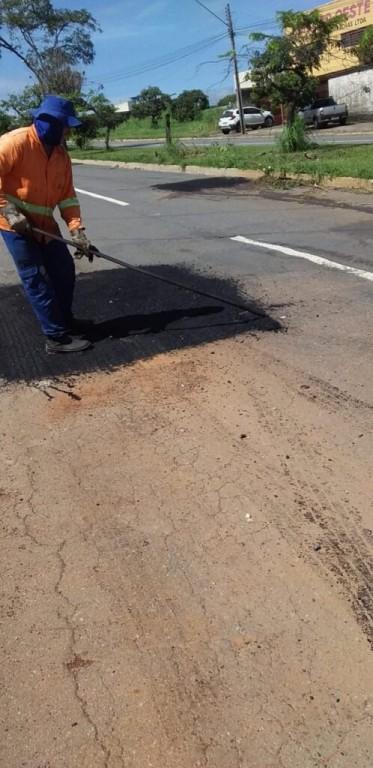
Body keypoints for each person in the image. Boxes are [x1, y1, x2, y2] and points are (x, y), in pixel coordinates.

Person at [0, 94, 96, 354]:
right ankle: (55, 337)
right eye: (64, 126)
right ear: (47, 122)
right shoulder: (13, 143)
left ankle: (64, 321)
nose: (67, 132)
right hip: (14, 225)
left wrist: (76, 230)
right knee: (37, 278)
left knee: (64, 271)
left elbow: (67, 196)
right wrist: (7, 210)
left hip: (45, 225)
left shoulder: (61, 156)